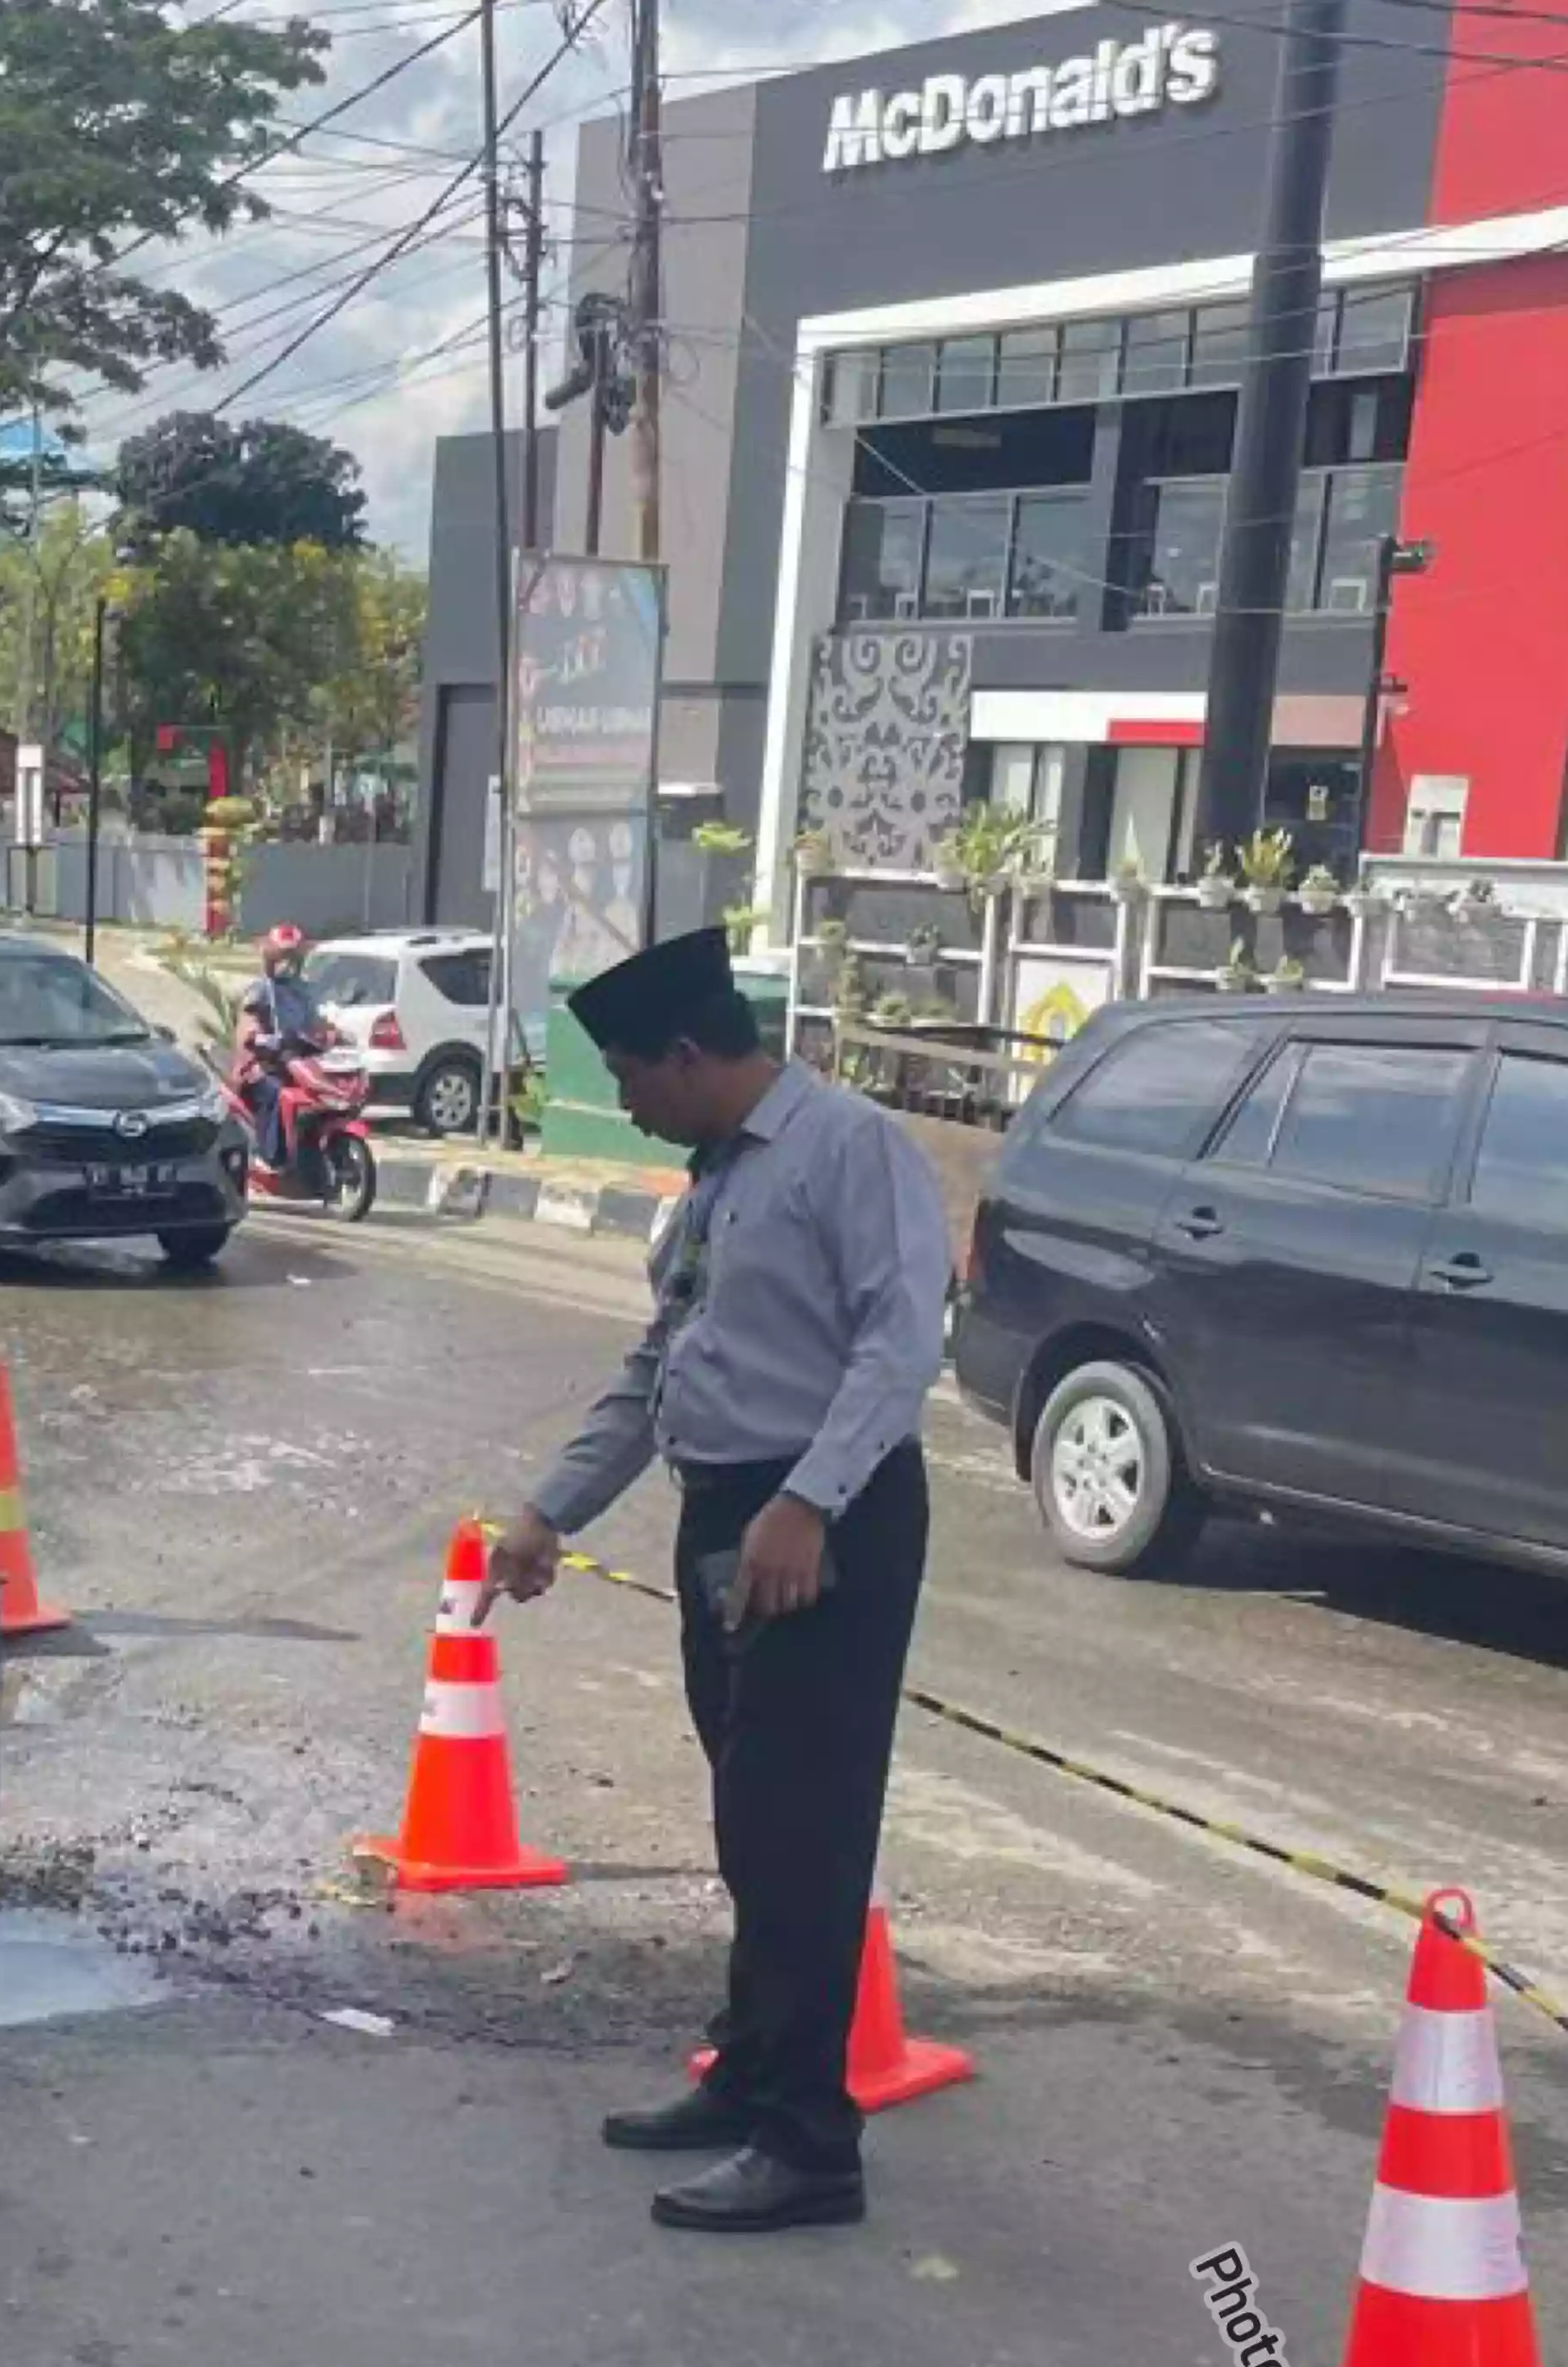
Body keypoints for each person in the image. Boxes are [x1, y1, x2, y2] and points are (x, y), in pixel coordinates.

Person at [473, 926, 946, 2236]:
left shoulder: (848, 1151)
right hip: (730, 1519)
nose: (624, 1102)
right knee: (754, 1819)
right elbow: (658, 1366)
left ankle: (811, 2144)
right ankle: (750, 2076)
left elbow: (902, 1344)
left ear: (690, 1054)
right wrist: (546, 1514)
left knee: (802, 1831)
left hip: (824, 1527)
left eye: (631, 1075)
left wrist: (807, 1502)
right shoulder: (719, 1182)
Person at [234, 922, 326, 1173]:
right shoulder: (260, 989)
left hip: (298, 1060)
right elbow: (248, 1022)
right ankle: (269, 1155)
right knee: (277, 1092)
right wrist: (258, 1037)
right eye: (282, 956)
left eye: (292, 957)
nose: (286, 962)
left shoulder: (305, 989)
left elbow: (317, 1023)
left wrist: (331, 1035)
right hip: (262, 1063)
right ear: (270, 957)